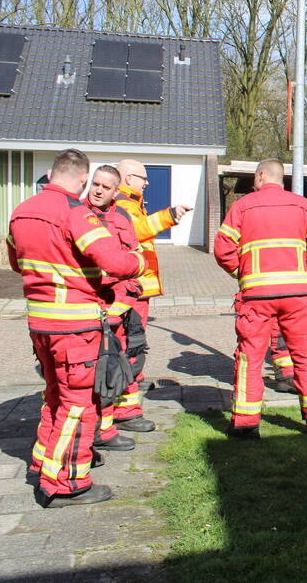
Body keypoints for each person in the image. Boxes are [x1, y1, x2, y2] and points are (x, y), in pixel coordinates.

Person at [9, 149, 146, 508]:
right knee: (77, 405)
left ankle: (44, 462)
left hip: (39, 323)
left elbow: (14, 262)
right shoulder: (76, 214)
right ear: (83, 180)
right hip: (75, 327)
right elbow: (115, 262)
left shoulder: (21, 211)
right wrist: (138, 261)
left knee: (54, 396)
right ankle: (65, 483)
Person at [214, 159, 307, 437]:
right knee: (304, 352)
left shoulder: (242, 206)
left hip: (256, 295)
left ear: (262, 175)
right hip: (297, 294)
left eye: (255, 178)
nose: (253, 183)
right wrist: (302, 269)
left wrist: (241, 272)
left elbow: (222, 249)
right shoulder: (304, 205)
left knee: (250, 358)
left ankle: (245, 423)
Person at [112, 159, 193, 433]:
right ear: (126, 177)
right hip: (132, 289)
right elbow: (138, 231)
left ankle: (134, 383)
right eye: (142, 178)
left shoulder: (131, 201)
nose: (146, 183)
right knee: (131, 344)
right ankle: (126, 408)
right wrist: (169, 215)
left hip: (136, 288)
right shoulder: (122, 203)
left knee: (132, 342)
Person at [84, 165, 142, 453]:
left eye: (105, 187)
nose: (97, 190)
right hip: (84, 305)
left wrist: (121, 306)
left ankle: (105, 429)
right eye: (95, 184)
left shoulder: (121, 217)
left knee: (110, 369)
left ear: (116, 191)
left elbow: (131, 263)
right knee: (85, 375)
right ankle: (90, 433)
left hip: (113, 306)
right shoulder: (77, 215)